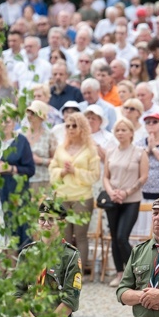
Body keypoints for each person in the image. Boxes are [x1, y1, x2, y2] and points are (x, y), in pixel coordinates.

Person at [49, 113, 100, 269]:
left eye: (74, 125)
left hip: (82, 198)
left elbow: (95, 175)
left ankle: (78, 271)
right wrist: (62, 172)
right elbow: (52, 171)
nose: (70, 128)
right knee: (64, 237)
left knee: (80, 236)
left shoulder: (90, 149)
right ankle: (65, 270)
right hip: (62, 197)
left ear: (82, 128)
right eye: (68, 126)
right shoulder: (60, 148)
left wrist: (75, 171)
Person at [103, 117, 149, 287]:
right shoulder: (110, 152)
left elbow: (143, 177)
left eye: (124, 130)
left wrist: (126, 192)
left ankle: (136, 273)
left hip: (131, 199)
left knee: (123, 236)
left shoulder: (139, 152)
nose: (120, 133)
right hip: (113, 199)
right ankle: (119, 273)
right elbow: (106, 177)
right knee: (114, 237)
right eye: (117, 130)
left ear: (131, 132)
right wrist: (111, 192)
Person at [0, 104, 35, 249]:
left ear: (14, 122)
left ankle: (13, 270)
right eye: (1, 120)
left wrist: (10, 168)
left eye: (8, 121)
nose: (4, 124)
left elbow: (30, 170)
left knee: (14, 237)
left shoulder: (21, 141)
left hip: (14, 195)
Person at [22, 100, 53, 191]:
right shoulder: (20, 134)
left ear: (41, 117)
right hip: (23, 180)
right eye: (29, 112)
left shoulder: (49, 135)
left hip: (43, 182)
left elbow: (56, 161)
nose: (30, 115)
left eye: (33, 113)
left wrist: (40, 160)